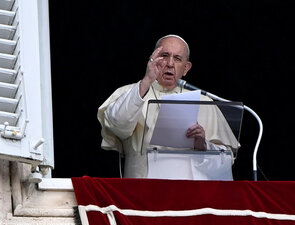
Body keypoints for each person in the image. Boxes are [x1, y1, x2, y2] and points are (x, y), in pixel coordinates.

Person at [98, 34, 239, 178]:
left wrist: (203, 146)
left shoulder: (204, 102)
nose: (170, 63)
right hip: (141, 190)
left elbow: (226, 160)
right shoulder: (129, 93)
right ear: (152, 60)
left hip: (189, 194)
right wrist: (147, 80)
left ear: (186, 68)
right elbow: (117, 126)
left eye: (177, 58)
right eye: (164, 56)